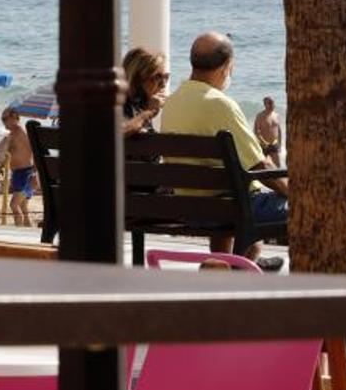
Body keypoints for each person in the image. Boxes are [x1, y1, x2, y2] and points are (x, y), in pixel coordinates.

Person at [160, 31, 288, 271]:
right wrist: (294, 194)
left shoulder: (173, 102)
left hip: (190, 208)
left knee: (232, 196)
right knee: (293, 207)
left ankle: (226, 265)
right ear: (226, 67)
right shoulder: (220, 103)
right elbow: (260, 166)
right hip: (230, 208)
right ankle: (242, 268)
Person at [0, 107, 36, 226]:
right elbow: (10, 153)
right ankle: (28, 233)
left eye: (5, 118)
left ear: (14, 118)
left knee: (14, 205)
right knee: (23, 207)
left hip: (26, 174)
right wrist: (1, 167)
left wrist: (35, 172)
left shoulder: (17, 134)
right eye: (2, 119)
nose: (3, 122)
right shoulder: (17, 134)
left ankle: (18, 233)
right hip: (20, 173)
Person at [121, 47, 168, 136]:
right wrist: (150, 112)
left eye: (166, 77)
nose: (163, 85)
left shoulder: (140, 104)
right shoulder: (119, 104)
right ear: (137, 80)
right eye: (157, 78)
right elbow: (119, 133)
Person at [254, 96, 282, 166]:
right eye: (269, 103)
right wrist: (263, 142)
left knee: (278, 166)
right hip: (263, 145)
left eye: (272, 103)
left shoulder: (276, 115)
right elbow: (256, 131)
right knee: (263, 167)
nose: (272, 105)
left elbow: (279, 131)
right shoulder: (260, 116)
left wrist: (280, 144)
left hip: (274, 144)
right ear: (265, 104)